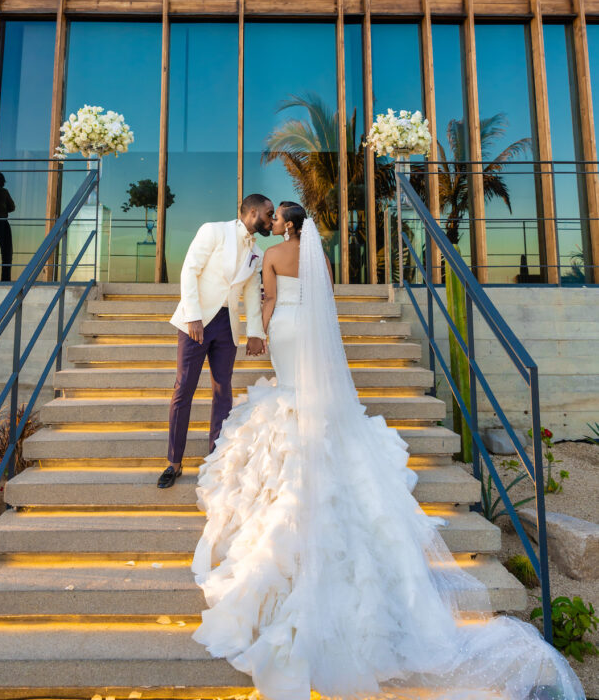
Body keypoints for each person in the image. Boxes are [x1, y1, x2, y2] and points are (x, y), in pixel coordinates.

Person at [191, 201, 585, 700]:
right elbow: (324, 302)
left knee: (288, 387)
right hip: (309, 327)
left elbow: (267, 301)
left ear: (283, 225)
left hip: (286, 329)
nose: (273, 225)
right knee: (307, 392)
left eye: (277, 220)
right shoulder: (319, 258)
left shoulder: (271, 253)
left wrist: (265, 330)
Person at [157, 194, 274, 489]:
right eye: (269, 214)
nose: (272, 220)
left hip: (227, 325)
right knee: (184, 388)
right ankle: (174, 462)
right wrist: (193, 316)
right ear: (252, 212)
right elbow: (189, 271)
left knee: (223, 391)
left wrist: (256, 333)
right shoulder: (213, 230)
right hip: (196, 321)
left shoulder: (257, 253)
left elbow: (250, 294)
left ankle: (215, 457)